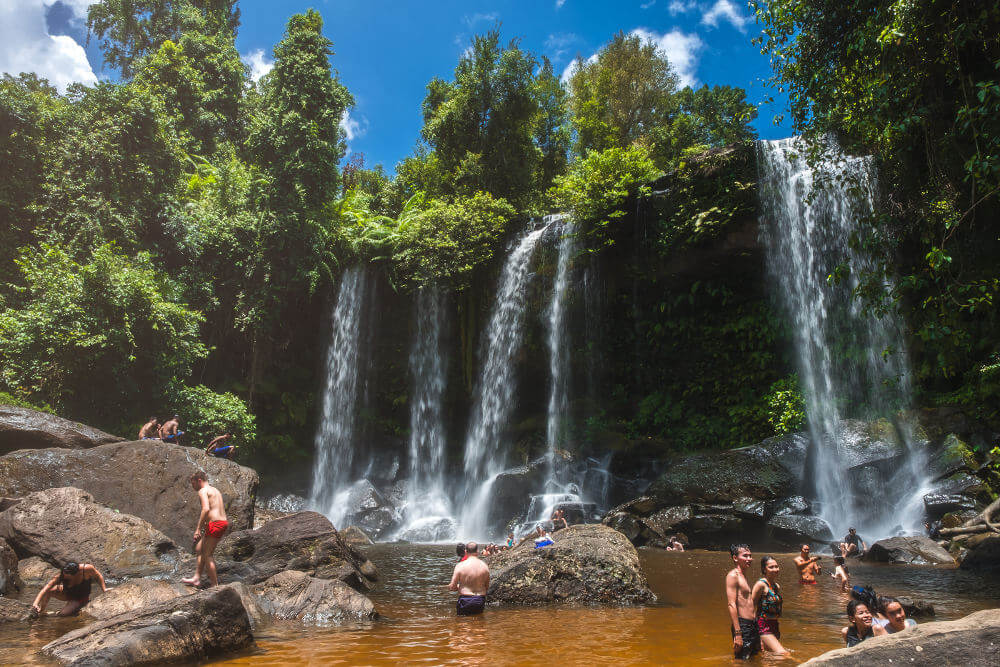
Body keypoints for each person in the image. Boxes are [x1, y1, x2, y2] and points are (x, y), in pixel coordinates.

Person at [182, 471, 228, 588]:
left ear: (199, 481)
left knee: (208, 554)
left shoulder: (203, 491)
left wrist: (198, 529)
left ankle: (215, 586)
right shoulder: (215, 490)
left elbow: (206, 509)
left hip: (215, 524)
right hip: (221, 523)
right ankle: (196, 578)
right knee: (199, 548)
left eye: (193, 484)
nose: (193, 487)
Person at [31, 561, 107, 616]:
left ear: (76, 573)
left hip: (80, 597)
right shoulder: (61, 575)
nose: (64, 575)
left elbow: (98, 576)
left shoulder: (87, 569)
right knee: (50, 591)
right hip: (67, 593)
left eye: (67, 575)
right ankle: (41, 611)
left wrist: (104, 589)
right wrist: (35, 603)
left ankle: (77, 606)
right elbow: (45, 589)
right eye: (64, 572)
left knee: (63, 614)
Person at [725, 543, 761, 660]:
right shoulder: (733, 576)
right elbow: (731, 604)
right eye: (745, 556)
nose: (749, 559)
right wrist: (738, 633)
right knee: (741, 660)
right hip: (742, 626)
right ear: (735, 558)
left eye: (750, 556)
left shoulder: (743, 574)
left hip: (752, 624)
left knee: (753, 658)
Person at [751, 556, 789, 655]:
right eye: (771, 567)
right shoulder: (760, 585)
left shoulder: (777, 586)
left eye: (776, 566)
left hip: (774, 625)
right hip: (763, 626)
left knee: (768, 658)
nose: (775, 569)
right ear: (764, 569)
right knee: (783, 654)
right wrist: (756, 634)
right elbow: (751, 608)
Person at [448, 541, 489, 616]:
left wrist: (459, 587)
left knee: (463, 625)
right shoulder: (484, 566)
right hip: (479, 600)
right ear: (477, 551)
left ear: (466, 551)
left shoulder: (460, 566)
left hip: (465, 599)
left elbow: (452, 587)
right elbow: (486, 587)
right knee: (478, 624)